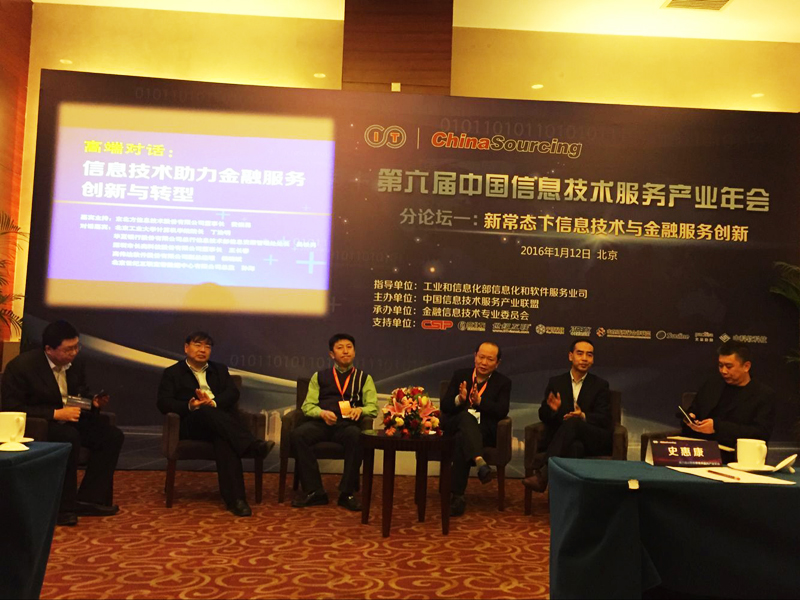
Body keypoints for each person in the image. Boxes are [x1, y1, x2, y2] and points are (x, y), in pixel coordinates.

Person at [1, 320, 124, 526]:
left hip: (69, 419)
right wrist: (55, 414)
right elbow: (12, 408)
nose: (74, 353)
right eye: (68, 349)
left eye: (76, 347)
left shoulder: (75, 364)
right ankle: (64, 508)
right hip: (40, 424)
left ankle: (89, 499)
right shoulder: (22, 367)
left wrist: (92, 403)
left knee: (111, 436)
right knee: (69, 437)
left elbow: (77, 395)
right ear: (49, 349)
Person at [157, 331, 270, 517]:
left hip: (219, 424)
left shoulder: (220, 370)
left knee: (224, 439)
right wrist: (190, 405)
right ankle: (251, 444)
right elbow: (163, 403)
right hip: (191, 423)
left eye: (207, 347)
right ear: (186, 348)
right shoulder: (173, 373)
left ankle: (236, 501)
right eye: (198, 345)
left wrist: (214, 402)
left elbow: (232, 393)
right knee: (204, 411)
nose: (203, 350)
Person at [290, 333, 378, 511]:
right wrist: (321, 413)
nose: (345, 351)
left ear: (354, 352)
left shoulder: (364, 378)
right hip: (322, 423)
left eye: (349, 347)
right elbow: (307, 406)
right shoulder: (319, 376)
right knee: (298, 435)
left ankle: (347, 493)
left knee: (357, 436)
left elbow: (373, 407)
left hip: (347, 425)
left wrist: (360, 410)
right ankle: (315, 491)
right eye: (340, 348)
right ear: (332, 354)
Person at [523, 338, 611, 493]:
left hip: (592, 436)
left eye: (589, 355)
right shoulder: (556, 382)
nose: (584, 358)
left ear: (593, 359)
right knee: (575, 447)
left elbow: (604, 417)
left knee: (574, 422)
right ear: (571, 356)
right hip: (564, 440)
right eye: (580, 353)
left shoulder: (600, 385)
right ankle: (569, 499)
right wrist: (553, 409)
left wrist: (583, 415)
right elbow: (543, 415)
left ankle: (543, 475)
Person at [440, 341, 511, 517]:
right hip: (456, 423)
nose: (484, 362)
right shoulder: (460, 375)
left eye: (490, 359)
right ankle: (480, 461)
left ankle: (457, 497)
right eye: (481, 357)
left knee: (462, 439)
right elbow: (445, 406)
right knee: (465, 418)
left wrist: (480, 402)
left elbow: (502, 410)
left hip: (483, 430)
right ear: (475, 356)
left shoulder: (503, 382)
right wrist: (459, 399)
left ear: (497, 363)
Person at [680, 340, 775, 453]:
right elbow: (695, 409)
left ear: (746, 366)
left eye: (729, 366)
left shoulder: (763, 395)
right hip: (700, 450)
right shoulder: (712, 385)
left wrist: (717, 427)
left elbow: (760, 433)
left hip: (736, 453)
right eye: (720, 366)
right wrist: (691, 417)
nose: (723, 371)